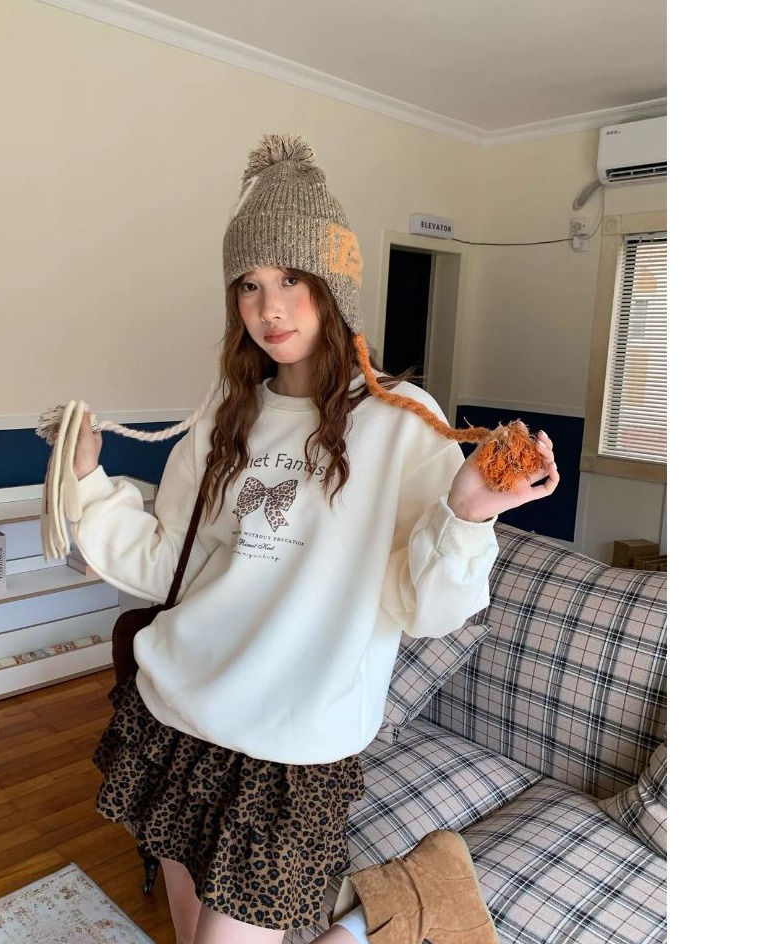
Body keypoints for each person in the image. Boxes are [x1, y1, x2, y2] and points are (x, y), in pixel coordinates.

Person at [64, 133, 559, 944]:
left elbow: (428, 609)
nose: (271, 308)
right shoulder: (224, 418)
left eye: (292, 278)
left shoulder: (405, 423)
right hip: (178, 716)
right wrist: (87, 480)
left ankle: (368, 924)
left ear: (336, 286)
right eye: (250, 285)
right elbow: (168, 565)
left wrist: (468, 512)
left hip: (291, 759)